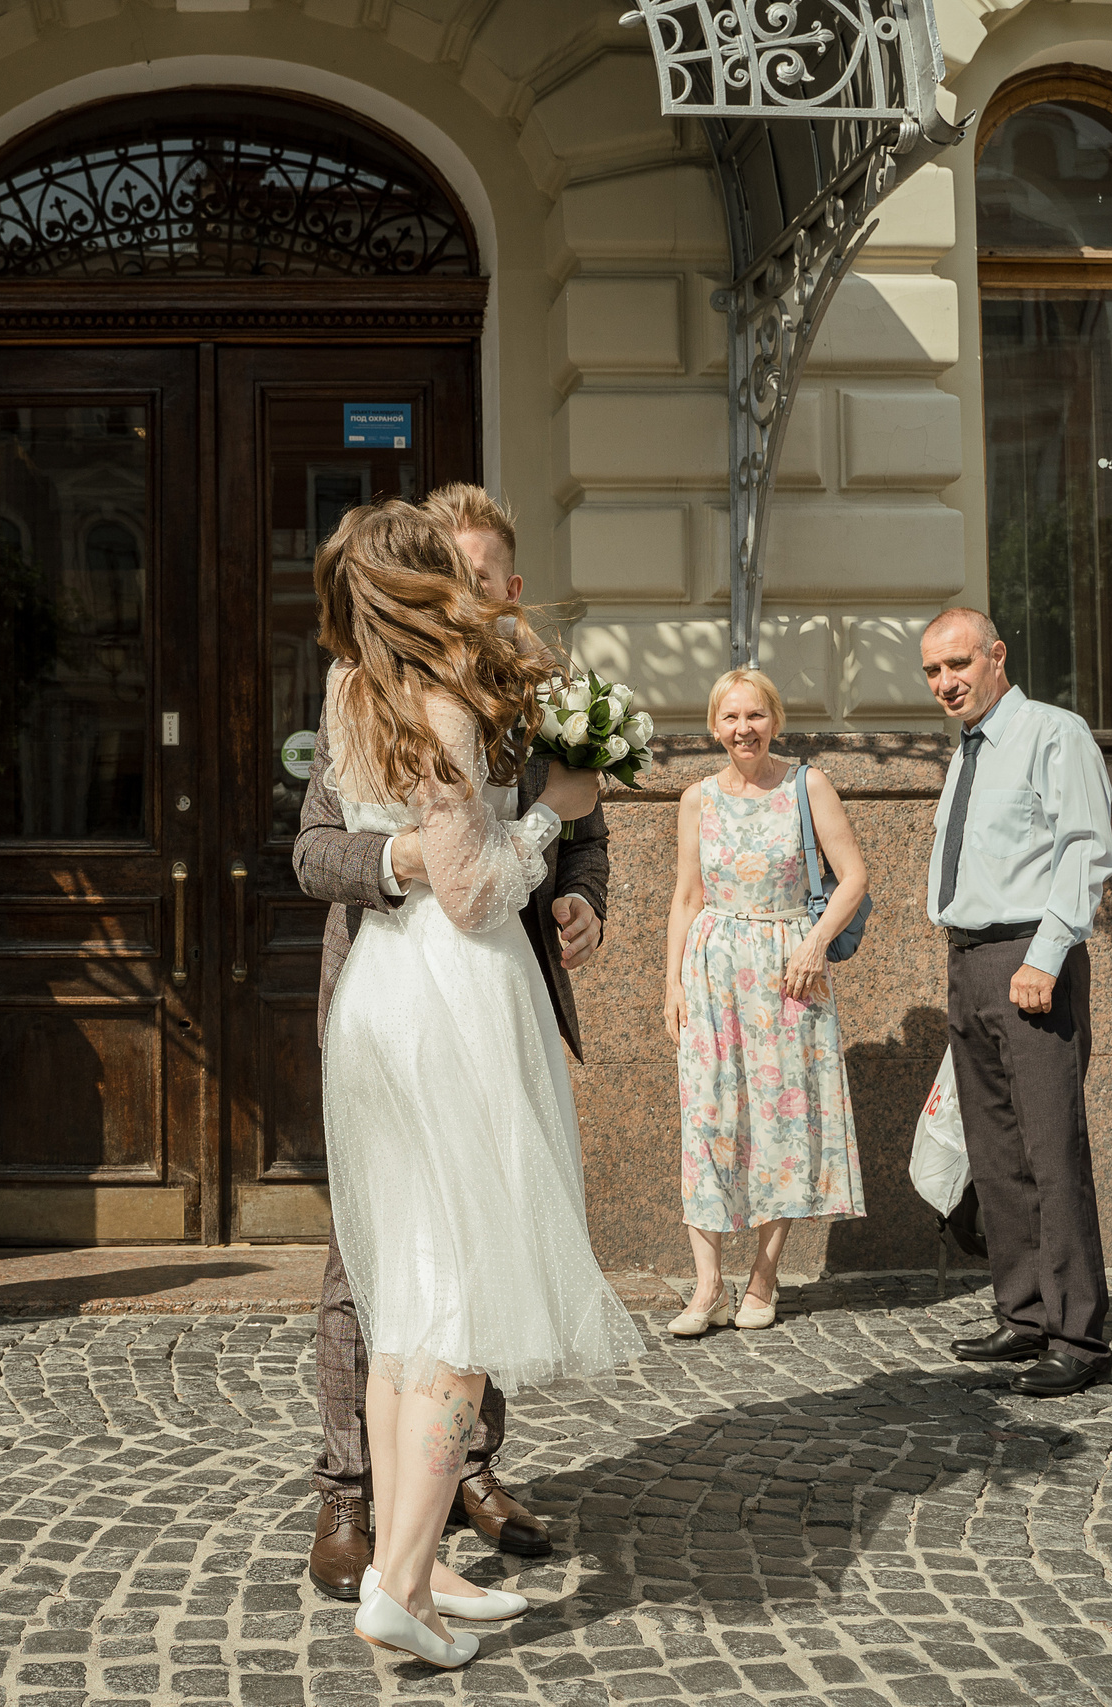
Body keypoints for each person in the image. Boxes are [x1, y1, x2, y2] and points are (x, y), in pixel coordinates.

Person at [309, 499, 644, 1671]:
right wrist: (551, 816)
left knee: (410, 1301)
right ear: (425, 581)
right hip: (453, 999)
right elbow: (471, 887)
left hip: (383, 1007)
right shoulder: (442, 699)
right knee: (455, 1309)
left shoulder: (353, 689)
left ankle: (415, 1574)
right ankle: (397, 1585)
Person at [919, 608, 1112, 1398]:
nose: (946, 683)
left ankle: (1079, 1334)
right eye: (933, 672)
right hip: (970, 962)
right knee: (995, 1150)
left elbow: (1084, 847)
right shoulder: (967, 753)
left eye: (959, 664)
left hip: (1032, 956)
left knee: (1049, 1149)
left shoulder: (1052, 733)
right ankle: (1024, 1310)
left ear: (997, 656)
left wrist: (1045, 953)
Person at [661, 669, 869, 1335]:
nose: (743, 728)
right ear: (714, 727)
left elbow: (855, 875)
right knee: (709, 1119)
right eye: (731, 717)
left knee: (781, 1122)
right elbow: (687, 895)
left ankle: (764, 1274)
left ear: (773, 720)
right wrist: (671, 982)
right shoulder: (697, 798)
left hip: (789, 975)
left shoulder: (807, 785)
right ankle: (707, 1285)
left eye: (755, 715)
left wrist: (813, 943)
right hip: (714, 971)